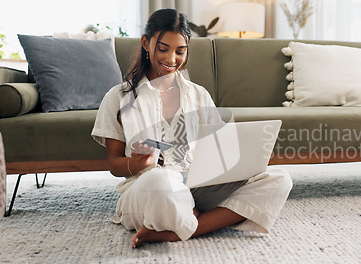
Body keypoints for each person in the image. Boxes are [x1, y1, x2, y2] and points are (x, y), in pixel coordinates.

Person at [91, 8, 292, 248]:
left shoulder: (199, 95)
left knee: (279, 178)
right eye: (163, 49)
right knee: (160, 181)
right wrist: (136, 164)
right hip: (149, 189)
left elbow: (218, 151)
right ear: (146, 43)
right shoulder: (119, 97)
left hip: (197, 187)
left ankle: (180, 230)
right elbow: (113, 164)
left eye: (180, 51)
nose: (171, 59)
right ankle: (195, 220)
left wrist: (243, 161)